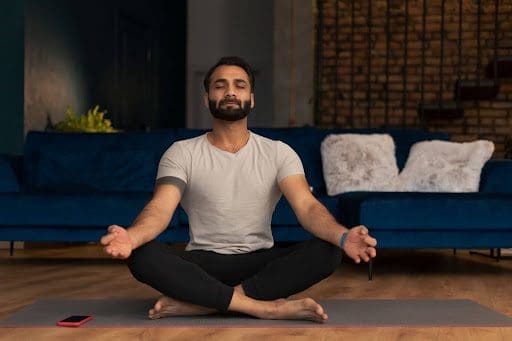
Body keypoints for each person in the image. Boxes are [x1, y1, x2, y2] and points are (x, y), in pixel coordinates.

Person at [100, 56, 377, 323]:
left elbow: (307, 206)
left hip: (258, 262)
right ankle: (263, 309)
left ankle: (203, 305)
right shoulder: (181, 152)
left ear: (251, 99)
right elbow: (160, 207)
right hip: (202, 263)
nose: (230, 91)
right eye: (220, 85)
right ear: (207, 98)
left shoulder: (279, 152)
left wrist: (342, 237)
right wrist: (132, 237)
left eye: (239, 85)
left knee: (328, 251)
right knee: (142, 255)